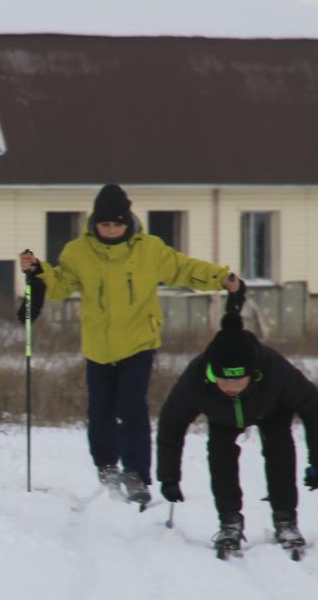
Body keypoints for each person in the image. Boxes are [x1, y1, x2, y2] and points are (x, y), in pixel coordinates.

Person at [18, 183, 239, 509]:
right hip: (97, 346)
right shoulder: (77, 252)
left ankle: (136, 473)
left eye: (117, 224)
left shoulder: (149, 250)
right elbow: (60, 287)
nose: (110, 230)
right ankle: (106, 465)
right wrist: (40, 271)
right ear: (94, 223)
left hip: (138, 342)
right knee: (100, 410)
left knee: (131, 407)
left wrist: (220, 277)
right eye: (104, 224)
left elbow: (183, 268)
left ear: (128, 223)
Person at [155, 291, 318, 556]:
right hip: (222, 417)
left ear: (253, 374)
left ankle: (286, 521)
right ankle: (230, 523)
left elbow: (315, 407)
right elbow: (172, 423)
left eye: (237, 381)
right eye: (223, 380)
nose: (230, 388)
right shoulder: (197, 378)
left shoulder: (274, 369)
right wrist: (169, 476)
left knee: (280, 448)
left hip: (271, 410)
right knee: (220, 454)